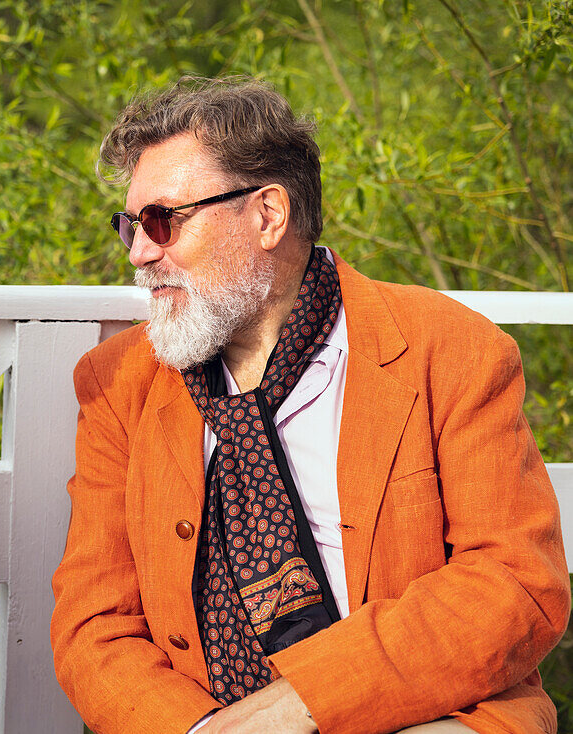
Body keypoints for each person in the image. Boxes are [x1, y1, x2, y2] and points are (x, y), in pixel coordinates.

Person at [50, 76, 569, 734]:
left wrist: (300, 707)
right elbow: (95, 628)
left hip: (429, 715)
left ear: (268, 214)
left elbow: (515, 583)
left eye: (163, 221)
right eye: (131, 224)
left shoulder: (450, 350)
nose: (139, 252)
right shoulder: (116, 383)